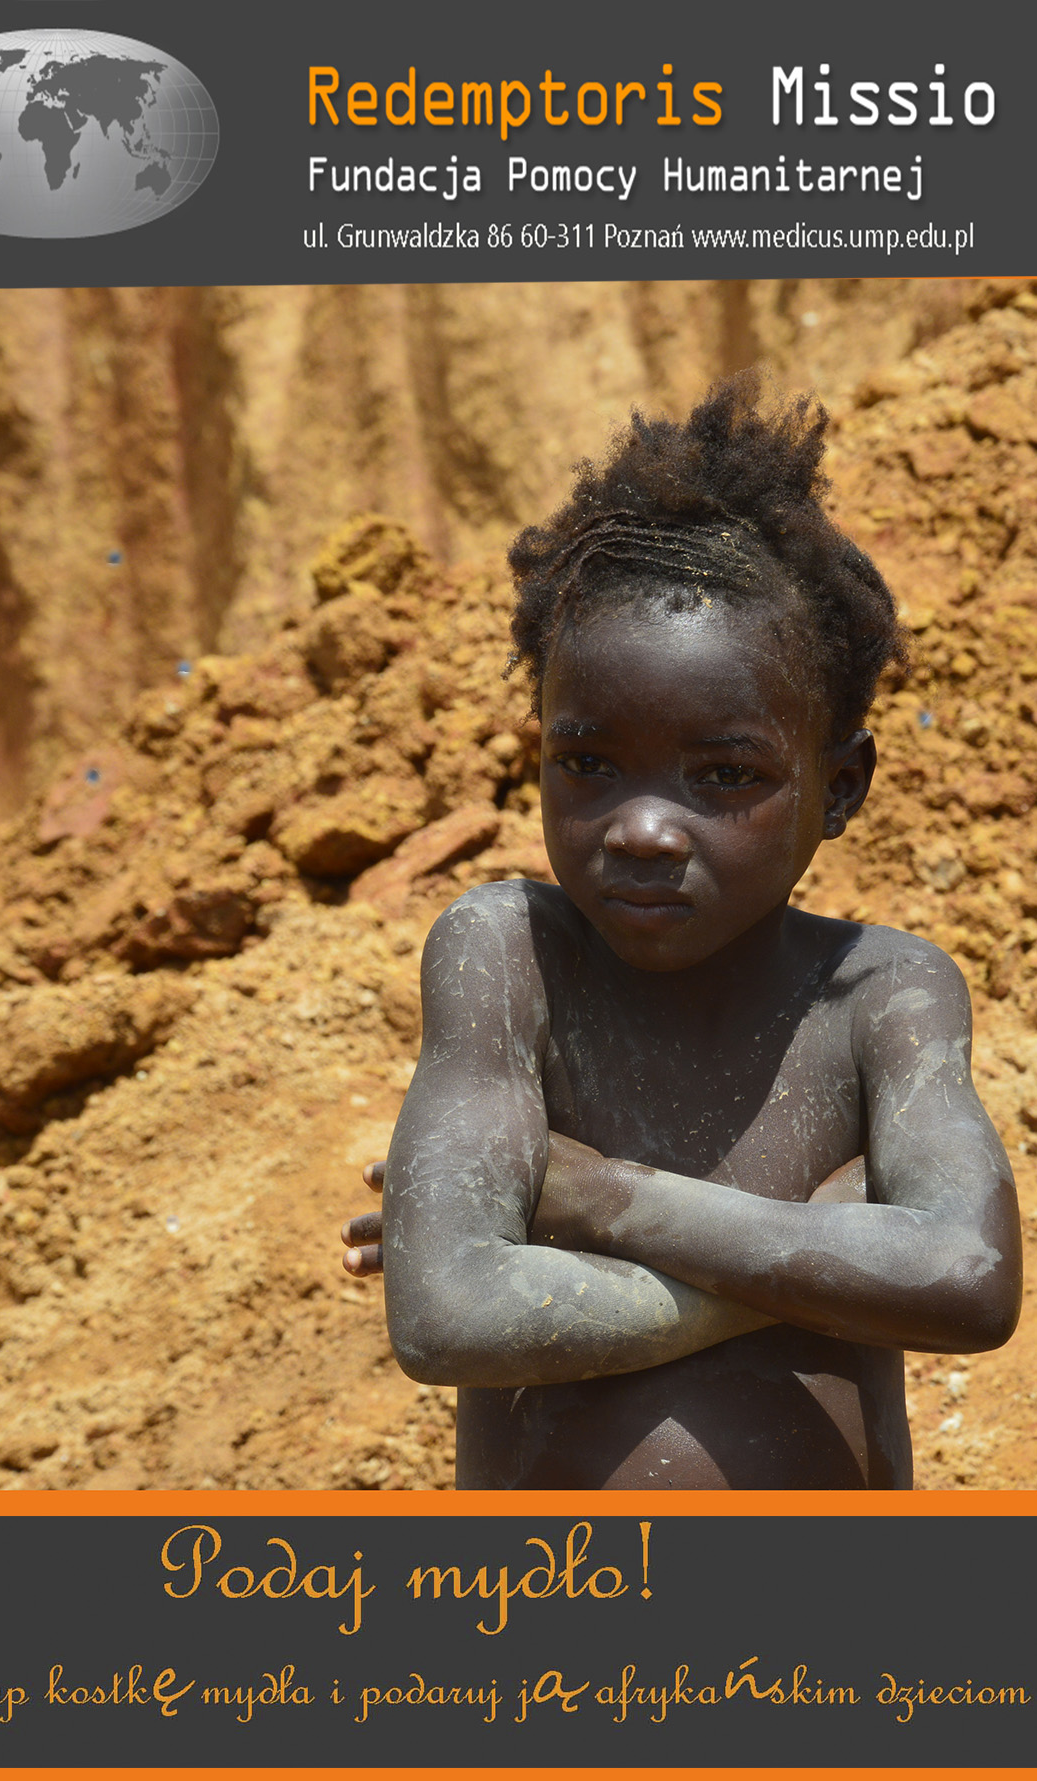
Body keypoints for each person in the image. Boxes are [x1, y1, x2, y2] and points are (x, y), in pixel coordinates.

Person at [340, 373, 1022, 1489]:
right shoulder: (508, 954)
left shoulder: (882, 993)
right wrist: (811, 1254)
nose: (644, 828)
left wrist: (603, 1200)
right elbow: (445, 1313)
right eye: (589, 763)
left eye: (722, 774)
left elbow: (964, 1276)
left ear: (836, 787)